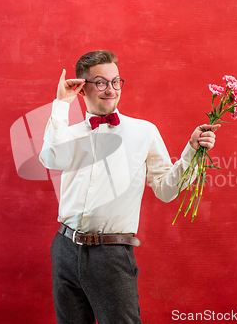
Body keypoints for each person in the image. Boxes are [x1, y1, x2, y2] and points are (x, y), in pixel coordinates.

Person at [39, 50, 220, 324]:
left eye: (115, 81)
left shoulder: (144, 132)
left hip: (111, 254)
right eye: (100, 82)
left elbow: (166, 189)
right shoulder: (68, 132)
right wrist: (61, 104)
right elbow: (51, 158)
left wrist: (191, 152)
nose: (110, 89)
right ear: (81, 88)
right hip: (64, 248)